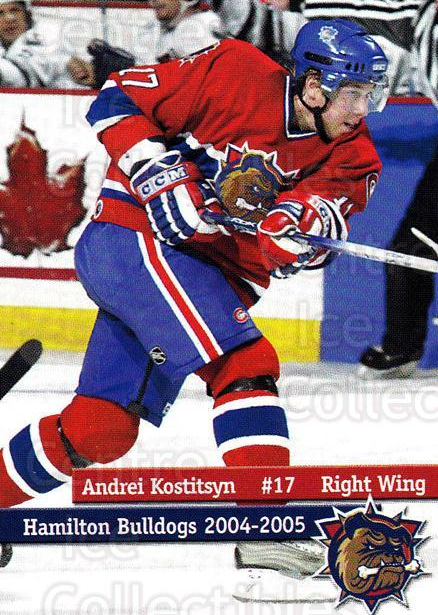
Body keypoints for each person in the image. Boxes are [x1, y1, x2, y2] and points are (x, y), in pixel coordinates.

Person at [0, 19, 389, 601]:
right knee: (245, 363)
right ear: (312, 86)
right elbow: (117, 97)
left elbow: (314, 227)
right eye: (352, 94)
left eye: (369, 95)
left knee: (100, 429)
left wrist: (297, 232)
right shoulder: (234, 71)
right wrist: (160, 175)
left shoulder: (357, 156)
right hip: (133, 242)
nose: (362, 110)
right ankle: (265, 537)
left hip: (208, 279)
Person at [358, 0, 438, 379]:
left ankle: (402, 345)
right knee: (412, 247)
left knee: (414, 245)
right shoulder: (420, 16)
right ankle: (402, 345)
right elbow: (366, 14)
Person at [67, 0, 222, 89]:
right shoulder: (155, 28)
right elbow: (142, 64)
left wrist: (129, 71)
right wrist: (94, 72)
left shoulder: (202, 26)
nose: (155, 1)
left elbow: (204, 84)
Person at [0, 0, 75, 87]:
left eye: (15, 10)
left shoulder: (48, 39)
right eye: (0, 13)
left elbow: (20, 77)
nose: (9, 18)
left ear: (28, 15)